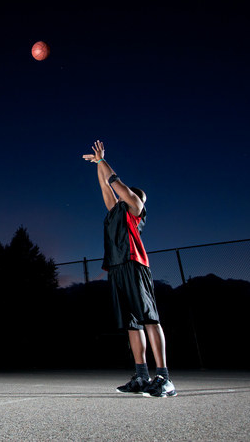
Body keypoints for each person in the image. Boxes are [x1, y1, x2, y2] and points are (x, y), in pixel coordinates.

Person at [83, 140, 177, 398]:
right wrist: (97, 166)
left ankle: (164, 378)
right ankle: (141, 376)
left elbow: (117, 185)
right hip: (116, 267)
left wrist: (103, 161)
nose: (125, 197)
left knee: (149, 319)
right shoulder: (115, 211)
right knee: (131, 324)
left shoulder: (136, 207)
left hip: (135, 264)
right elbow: (106, 187)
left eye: (131, 195)